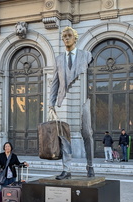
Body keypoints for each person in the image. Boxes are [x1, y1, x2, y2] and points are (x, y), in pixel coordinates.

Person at [49, 26, 94, 180]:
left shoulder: (86, 55)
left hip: (82, 101)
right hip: (64, 101)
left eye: (69, 36)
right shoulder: (59, 59)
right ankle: (66, 169)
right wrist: (51, 103)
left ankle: (90, 166)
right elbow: (55, 83)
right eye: (64, 36)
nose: (66, 39)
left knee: (87, 133)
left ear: (75, 37)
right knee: (63, 136)